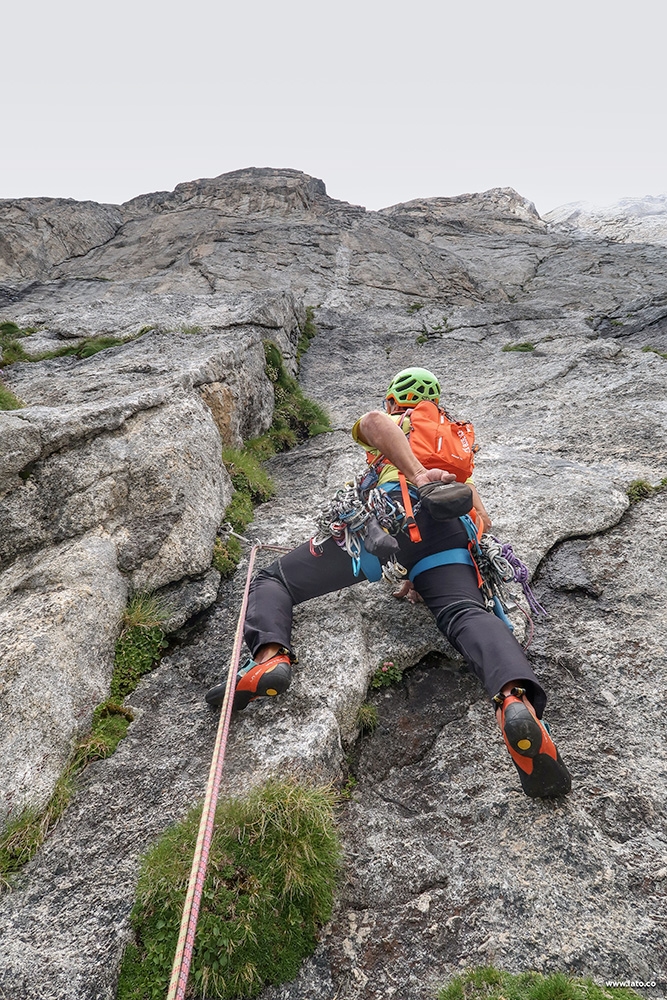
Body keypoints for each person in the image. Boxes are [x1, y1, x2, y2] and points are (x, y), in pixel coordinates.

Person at [207, 367, 571, 799]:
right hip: (447, 533)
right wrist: (420, 571)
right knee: (465, 613)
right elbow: (480, 520)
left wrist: (415, 475)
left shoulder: (397, 420)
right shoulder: (455, 450)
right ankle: (514, 701)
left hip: (384, 521)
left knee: (275, 578)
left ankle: (268, 656)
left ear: (396, 400)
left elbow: (374, 424)